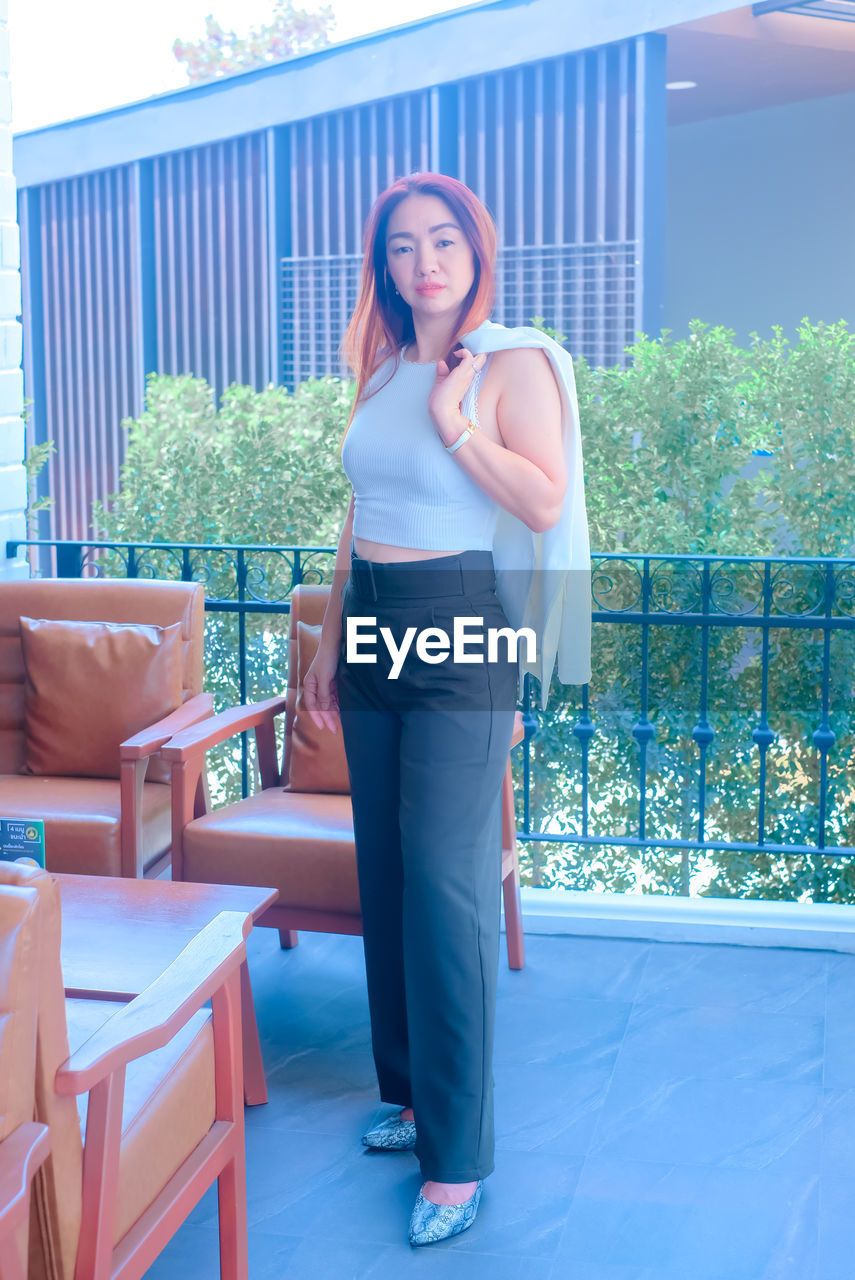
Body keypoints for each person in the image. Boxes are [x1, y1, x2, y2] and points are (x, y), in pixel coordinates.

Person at [301, 171, 589, 1247]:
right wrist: (330, 637)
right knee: (386, 865)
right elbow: (360, 510)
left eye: (443, 242)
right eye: (403, 246)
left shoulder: (510, 363)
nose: (424, 262)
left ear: (477, 250)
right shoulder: (380, 365)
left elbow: (544, 500)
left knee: (447, 884)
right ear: (384, 264)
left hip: (461, 619)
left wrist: (456, 420)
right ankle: (413, 1094)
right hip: (376, 615)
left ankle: (459, 1159)